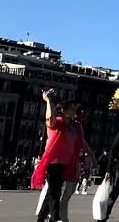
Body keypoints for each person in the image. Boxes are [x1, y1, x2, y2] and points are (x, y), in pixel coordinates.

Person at [31, 90, 82, 222]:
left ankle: (41, 218)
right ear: (64, 111)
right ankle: (55, 218)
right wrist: (48, 101)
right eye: (71, 109)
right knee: (55, 192)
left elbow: (79, 142)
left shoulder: (71, 126)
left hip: (64, 163)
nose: (74, 111)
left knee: (52, 192)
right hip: (53, 163)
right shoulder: (57, 122)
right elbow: (49, 118)